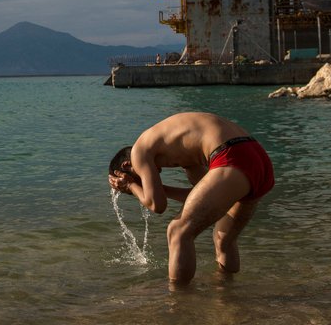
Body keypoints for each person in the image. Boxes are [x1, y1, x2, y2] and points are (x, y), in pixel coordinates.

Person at [108, 112, 274, 284]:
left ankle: (178, 298)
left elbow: (157, 205)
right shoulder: (182, 151)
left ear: (126, 165)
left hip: (231, 155)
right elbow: (203, 195)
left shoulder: (139, 150)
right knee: (223, 238)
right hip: (257, 157)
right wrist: (159, 189)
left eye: (141, 180)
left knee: (178, 231)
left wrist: (131, 186)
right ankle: (226, 292)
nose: (145, 182)